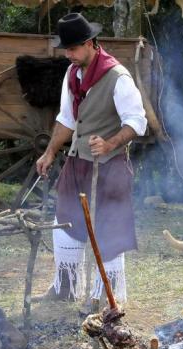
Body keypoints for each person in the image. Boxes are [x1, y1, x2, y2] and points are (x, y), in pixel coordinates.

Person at [34, 13, 147, 305]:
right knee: (65, 221)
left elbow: (137, 121)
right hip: (77, 161)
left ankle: (103, 297)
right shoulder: (72, 74)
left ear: (90, 44)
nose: (68, 54)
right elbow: (67, 119)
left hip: (108, 166)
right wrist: (50, 153)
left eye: (73, 49)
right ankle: (66, 286)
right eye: (66, 50)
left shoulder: (118, 77)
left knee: (108, 229)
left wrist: (110, 143)